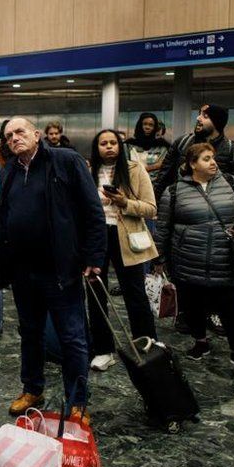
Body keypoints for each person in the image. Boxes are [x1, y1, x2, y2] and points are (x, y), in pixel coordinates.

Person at [0, 118, 106, 415]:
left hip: (60, 269)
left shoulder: (66, 161)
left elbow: (92, 211)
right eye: (8, 135)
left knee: (72, 337)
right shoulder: (8, 172)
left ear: (36, 134)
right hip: (22, 271)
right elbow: (4, 218)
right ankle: (32, 389)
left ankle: (77, 401)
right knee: (30, 333)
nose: (14, 138)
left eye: (20, 132)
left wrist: (94, 258)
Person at [153, 143, 234, 373]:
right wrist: (158, 257)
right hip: (189, 258)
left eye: (213, 158)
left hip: (226, 259)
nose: (213, 163)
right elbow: (163, 228)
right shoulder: (174, 191)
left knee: (233, 308)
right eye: (206, 159)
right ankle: (200, 342)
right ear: (192, 164)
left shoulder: (230, 183)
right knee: (193, 306)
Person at [86, 130, 159, 371]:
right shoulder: (88, 171)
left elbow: (150, 208)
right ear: (96, 148)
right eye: (103, 143)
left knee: (134, 292)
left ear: (120, 145)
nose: (109, 147)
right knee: (97, 294)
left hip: (125, 236)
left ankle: (146, 343)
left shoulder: (134, 169)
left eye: (113, 143)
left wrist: (124, 202)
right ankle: (103, 350)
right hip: (97, 236)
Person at [154, 104, 234, 200]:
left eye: (205, 116)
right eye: (199, 114)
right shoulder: (182, 143)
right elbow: (163, 177)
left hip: (217, 208)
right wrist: (156, 204)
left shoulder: (232, 150)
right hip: (182, 205)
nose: (198, 118)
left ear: (217, 122)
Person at [124, 112, 171, 188]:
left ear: (155, 127)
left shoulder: (162, 146)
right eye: (145, 124)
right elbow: (126, 167)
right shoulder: (128, 145)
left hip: (154, 186)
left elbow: (163, 168)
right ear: (140, 125)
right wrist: (153, 166)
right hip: (132, 185)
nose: (147, 127)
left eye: (151, 125)